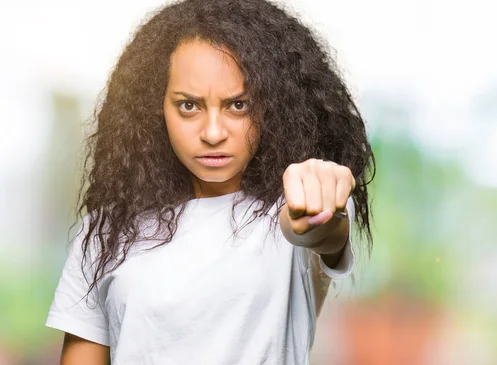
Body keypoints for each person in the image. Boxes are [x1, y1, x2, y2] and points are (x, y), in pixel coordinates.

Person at [44, 0, 375, 364]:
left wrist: (318, 212)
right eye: (189, 106)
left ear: (272, 105)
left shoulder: (293, 205)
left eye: (238, 105)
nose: (213, 132)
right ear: (156, 108)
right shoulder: (106, 234)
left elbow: (319, 231)